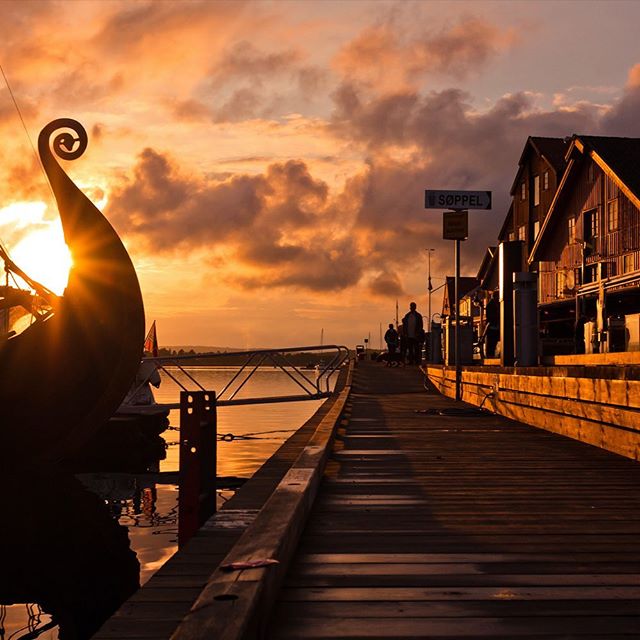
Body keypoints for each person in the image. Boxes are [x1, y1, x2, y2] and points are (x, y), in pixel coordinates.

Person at [485, 291, 500, 358]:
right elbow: (490, 317)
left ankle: (491, 355)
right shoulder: (491, 305)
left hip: (495, 327)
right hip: (493, 327)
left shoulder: (492, 304)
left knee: (492, 343)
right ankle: (490, 356)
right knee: (492, 344)